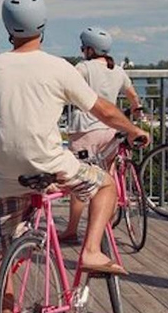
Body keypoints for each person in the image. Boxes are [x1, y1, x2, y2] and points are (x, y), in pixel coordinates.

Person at [0, 0, 150, 313]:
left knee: (2, 259)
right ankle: (89, 251)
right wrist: (132, 130)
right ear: (43, 26)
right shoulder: (58, 67)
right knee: (104, 185)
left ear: (8, 28)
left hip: (4, 174)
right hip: (50, 164)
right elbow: (101, 108)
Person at [61, 27, 144, 243]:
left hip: (85, 128)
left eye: (83, 48)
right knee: (108, 176)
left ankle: (71, 230)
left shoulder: (84, 67)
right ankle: (104, 224)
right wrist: (136, 110)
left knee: (80, 180)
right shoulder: (117, 70)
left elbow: (65, 86)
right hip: (110, 129)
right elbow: (132, 94)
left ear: (90, 49)